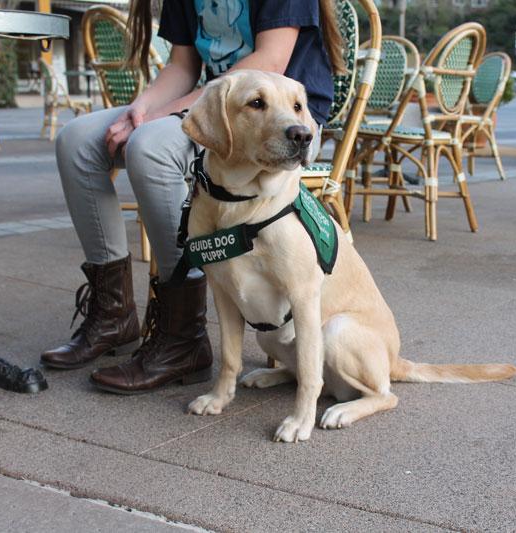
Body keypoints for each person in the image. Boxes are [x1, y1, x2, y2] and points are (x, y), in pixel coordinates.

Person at [41, 0, 344, 394]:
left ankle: (183, 335)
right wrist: (142, 108)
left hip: (281, 118)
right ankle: (113, 317)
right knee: (77, 141)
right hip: (221, 107)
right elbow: (182, 67)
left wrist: (163, 119)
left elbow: (269, 60)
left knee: (150, 147)